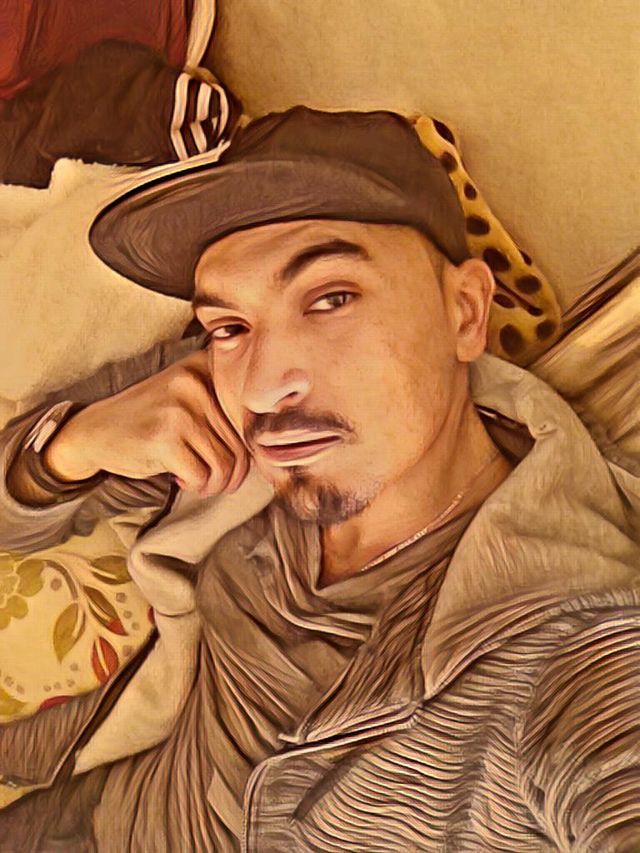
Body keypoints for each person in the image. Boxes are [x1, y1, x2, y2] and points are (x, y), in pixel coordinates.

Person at [0, 107, 639, 851]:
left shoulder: (570, 649)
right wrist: (75, 443)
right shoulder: (215, 403)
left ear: (465, 312)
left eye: (331, 298)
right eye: (229, 324)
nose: (266, 385)